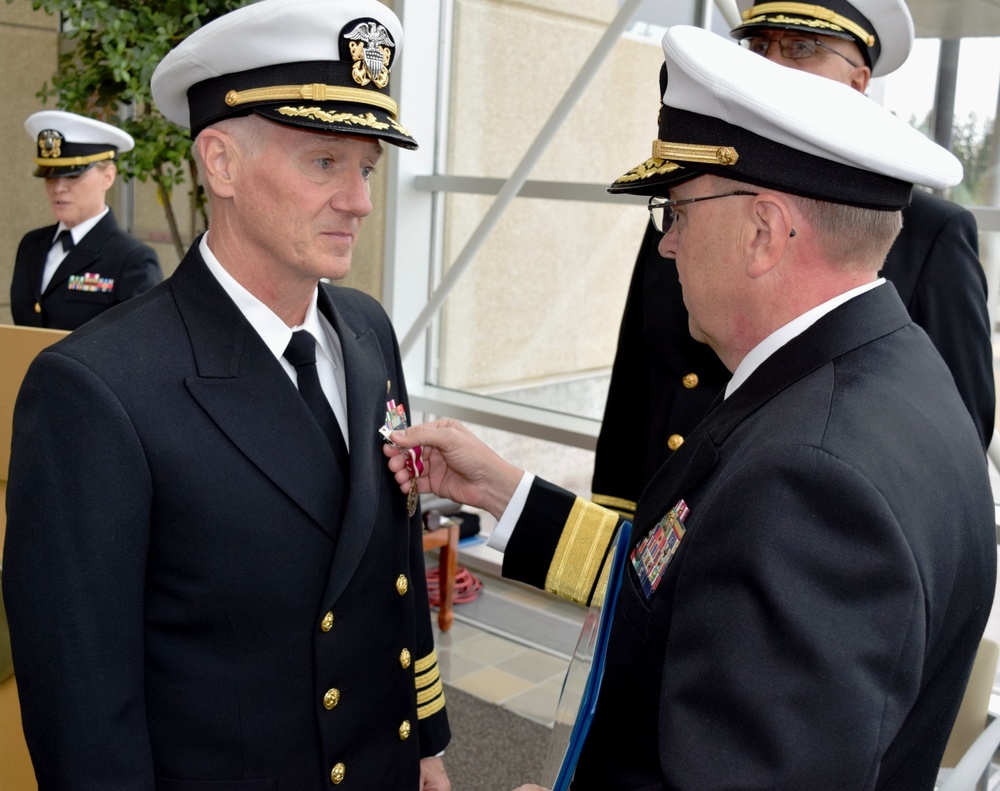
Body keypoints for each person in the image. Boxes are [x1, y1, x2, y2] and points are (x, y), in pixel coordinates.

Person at [384, 24, 996, 791]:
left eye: (678, 210)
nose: (667, 244)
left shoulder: (807, 480)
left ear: (764, 232)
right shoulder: (887, 378)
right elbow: (688, 571)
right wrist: (505, 494)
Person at [3, 1, 450, 789]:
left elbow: (393, 562)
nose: (360, 201)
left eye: (367, 168)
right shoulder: (97, 389)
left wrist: (428, 743)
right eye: (325, 163)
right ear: (221, 163)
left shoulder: (366, 331)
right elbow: (83, 702)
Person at [592, 0, 995, 521]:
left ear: (858, 82)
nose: (771, 62)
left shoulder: (931, 232)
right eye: (758, 46)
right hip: (674, 529)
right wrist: (614, 557)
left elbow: (948, 430)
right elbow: (637, 383)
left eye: (802, 48)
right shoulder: (696, 204)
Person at [9, 110, 162, 330]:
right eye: (50, 176)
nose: (59, 188)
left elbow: (140, 346)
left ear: (108, 176)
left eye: (73, 175)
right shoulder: (31, 244)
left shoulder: (132, 259)